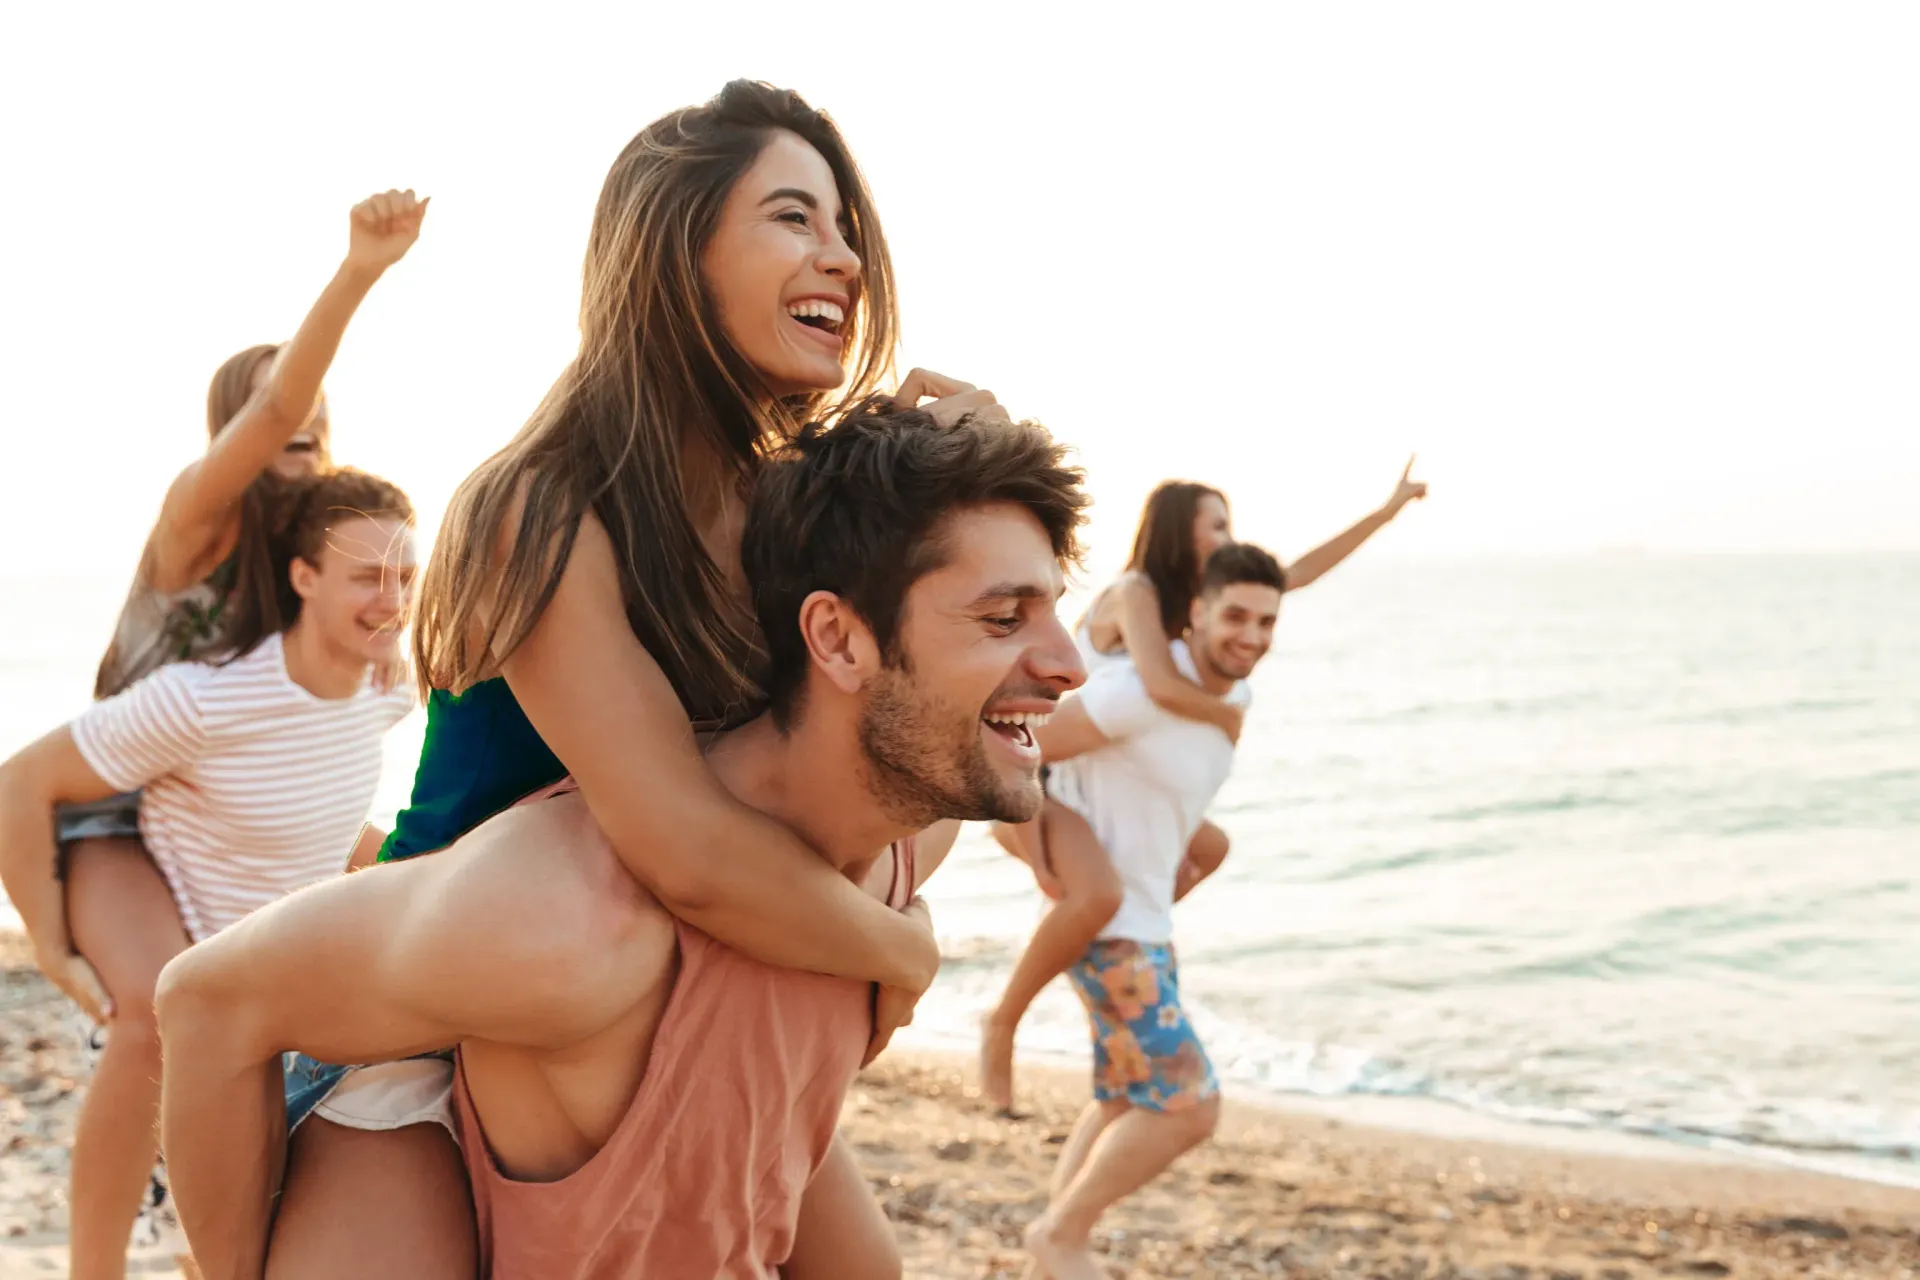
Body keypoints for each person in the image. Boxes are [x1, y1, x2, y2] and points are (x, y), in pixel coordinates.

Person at [178, 81, 1006, 1277]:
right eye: (795, 217)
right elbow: (682, 840)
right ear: (677, 254)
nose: (844, 258)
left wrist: (956, 497)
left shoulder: (796, 515)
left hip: (676, 995)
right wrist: (902, 953)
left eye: (846, 228)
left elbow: (934, 747)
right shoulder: (545, 504)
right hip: (433, 1027)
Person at [157, 401, 1089, 1278]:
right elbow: (204, 1000)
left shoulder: (904, 841)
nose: (1070, 666)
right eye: (1003, 620)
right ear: (838, 642)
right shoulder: (565, 918)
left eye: (1051, 610)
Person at [22, 186, 424, 1278]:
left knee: (234, 1024)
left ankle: (211, 1243)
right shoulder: (199, 520)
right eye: (269, 419)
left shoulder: (317, 576)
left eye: (313, 425)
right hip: (104, 807)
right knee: (150, 1017)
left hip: (190, 794)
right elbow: (28, 779)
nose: (292, 430)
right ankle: (92, 1266)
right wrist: (360, 270)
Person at [980, 463, 1429, 1114]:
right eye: (1215, 524)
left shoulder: (1204, 598)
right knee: (1098, 896)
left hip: (1109, 768)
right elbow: (1160, 687)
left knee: (1209, 848)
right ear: (1177, 530)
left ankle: (1104, 937)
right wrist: (1224, 713)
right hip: (1053, 770)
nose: (1227, 535)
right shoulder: (1137, 592)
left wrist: (1387, 511)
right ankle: (1004, 1021)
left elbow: (1295, 575)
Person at [1020, 542, 1285, 1280]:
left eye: (1268, 622)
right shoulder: (1135, 691)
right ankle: (1060, 1237)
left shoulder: (1233, 699)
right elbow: (1026, 747)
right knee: (1187, 1107)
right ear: (1195, 612)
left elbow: (1169, 810)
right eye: (1236, 615)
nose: (1253, 636)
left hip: (1146, 929)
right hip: (1109, 932)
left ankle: (1051, 1253)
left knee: (1121, 1102)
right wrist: (1042, 851)